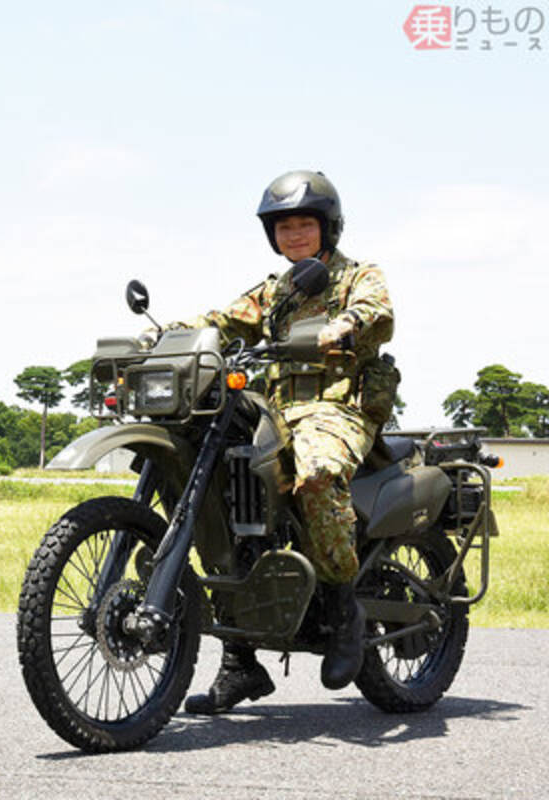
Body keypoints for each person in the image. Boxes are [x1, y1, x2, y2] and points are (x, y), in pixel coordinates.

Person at [168, 170, 394, 713]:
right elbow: (223, 321)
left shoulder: (357, 275)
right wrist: (172, 332)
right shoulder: (275, 289)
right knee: (223, 497)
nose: (294, 235)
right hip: (273, 409)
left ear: (327, 227)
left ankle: (344, 609)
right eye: (284, 227)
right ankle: (240, 663)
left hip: (335, 407)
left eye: (305, 225)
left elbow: (377, 313)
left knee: (315, 475)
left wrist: (342, 327)